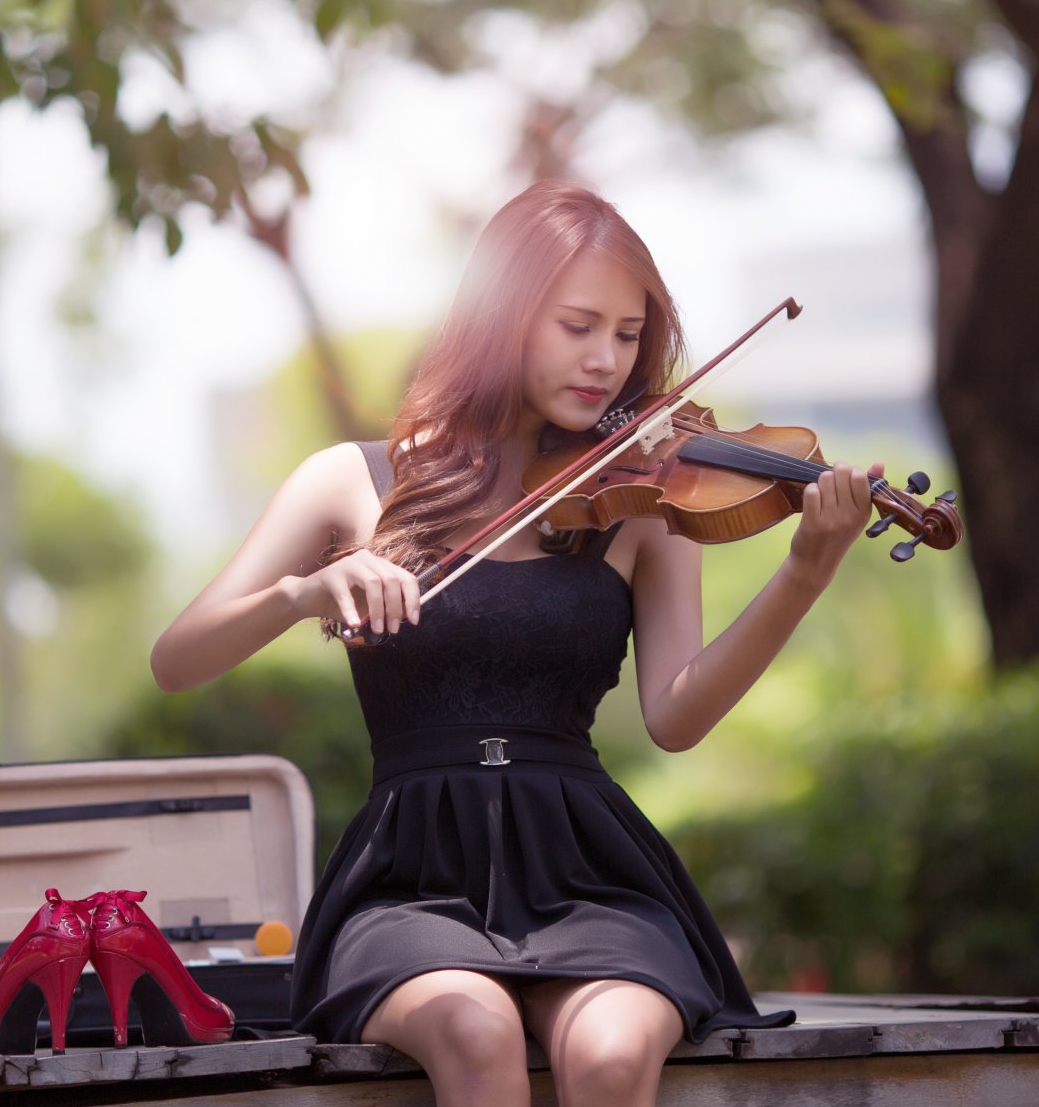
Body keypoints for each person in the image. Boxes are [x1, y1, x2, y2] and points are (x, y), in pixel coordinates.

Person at [150, 180, 881, 1107]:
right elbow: (178, 658)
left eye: (628, 334)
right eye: (578, 325)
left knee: (614, 1056)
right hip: (412, 875)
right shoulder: (354, 480)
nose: (607, 361)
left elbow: (678, 716)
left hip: (590, 868)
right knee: (474, 1027)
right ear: (502, 317)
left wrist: (805, 571)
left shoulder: (645, 499)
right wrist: (304, 592)